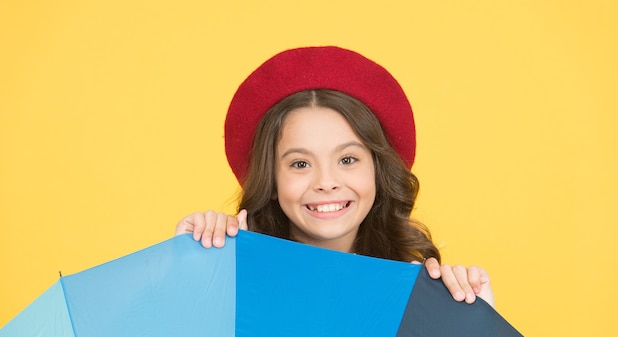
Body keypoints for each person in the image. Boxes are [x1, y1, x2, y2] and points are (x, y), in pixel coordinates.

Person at [175, 46, 494, 307]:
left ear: (377, 171)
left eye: (347, 159)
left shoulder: (419, 298)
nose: (326, 182)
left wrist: (475, 327)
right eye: (300, 164)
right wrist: (188, 273)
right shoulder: (232, 279)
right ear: (270, 180)